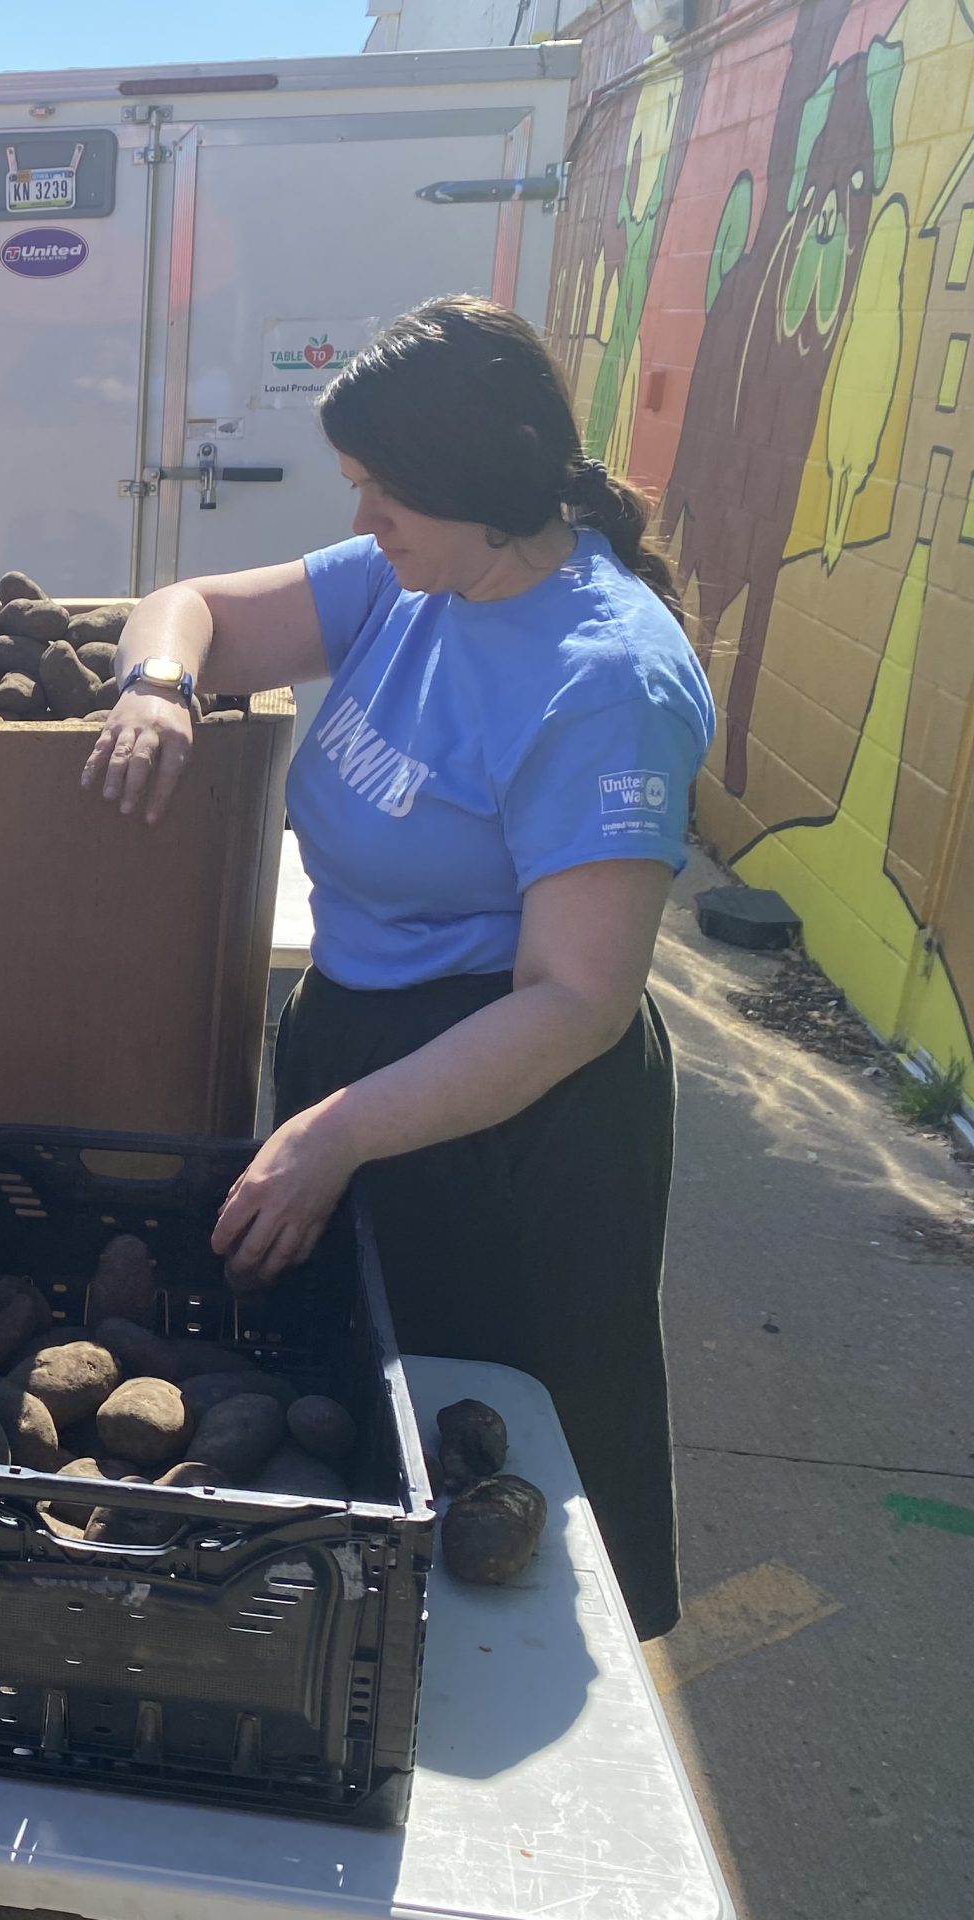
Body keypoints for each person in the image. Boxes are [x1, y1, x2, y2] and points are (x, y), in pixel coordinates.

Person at [83, 296, 714, 1639]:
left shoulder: (606, 679)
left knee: (503, 1452)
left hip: (514, 1111)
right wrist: (156, 685)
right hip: (360, 1049)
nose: (363, 522)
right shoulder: (417, 579)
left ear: (479, 484)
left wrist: (336, 1136)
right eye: (357, 491)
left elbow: (579, 999)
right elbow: (188, 606)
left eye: (384, 493)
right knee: (367, 1430)